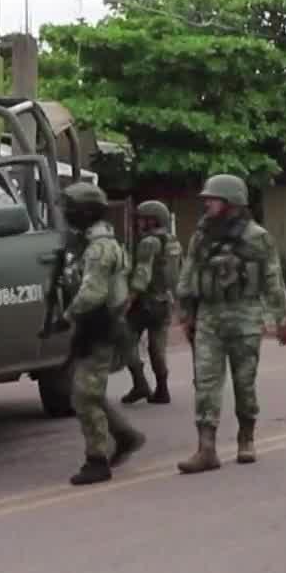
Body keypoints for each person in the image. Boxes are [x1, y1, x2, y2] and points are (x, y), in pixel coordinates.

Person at [173, 173, 286, 473]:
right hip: (210, 318)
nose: (207, 205)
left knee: (244, 384)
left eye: (213, 200)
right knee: (205, 383)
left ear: (232, 202)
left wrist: (283, 319)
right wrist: (186, 313)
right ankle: (206, 448)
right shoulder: (201, 236)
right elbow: (188, 275)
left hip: (245, 318)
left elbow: (272, 280)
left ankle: (246, 438)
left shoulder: (258, 237)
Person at [56, 182, 146, 486]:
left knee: (84, 395)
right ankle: (125, 435)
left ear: (85, 212)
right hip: (95, 325)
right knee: (88, 389)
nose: (66, 215)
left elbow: (92, 294)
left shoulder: (99, 248)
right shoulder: (91, 243)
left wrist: (65, 317)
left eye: (70, 210)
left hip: (100, 325)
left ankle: (97, 459)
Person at [120, 199, 181, 406]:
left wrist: (128, 300)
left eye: (142, 220)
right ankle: (162, 389)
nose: (138, 224)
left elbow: (142, 274)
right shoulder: (173, 242)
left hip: (144, 303)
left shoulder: (148, 243)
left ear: (152, 221)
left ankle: (140, 383)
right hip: (165, 301)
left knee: (125, 340)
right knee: (158, 348)